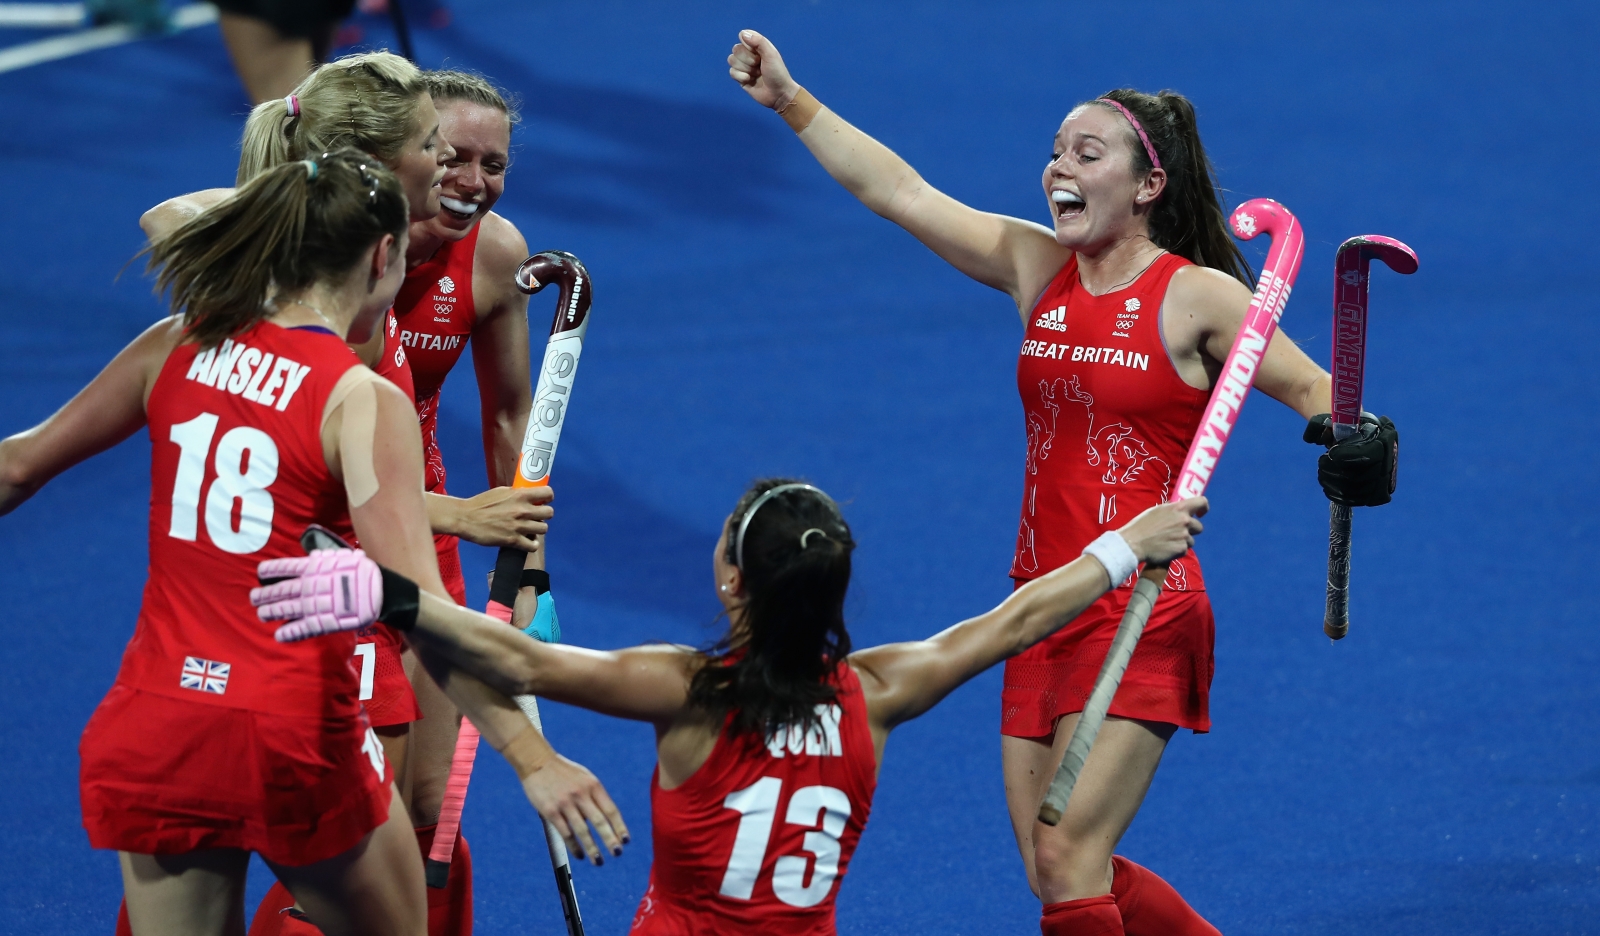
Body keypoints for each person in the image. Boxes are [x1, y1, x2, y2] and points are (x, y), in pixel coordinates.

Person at [725, 30, 1400, 936]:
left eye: (1087, 153)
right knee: (1060, 876)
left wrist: (1359, 444)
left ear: (1148, 185)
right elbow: (900, 192)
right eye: (1053, 152)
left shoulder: (1197, 295)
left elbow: (1323, 396)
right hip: (1043, 600)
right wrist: (792, 100)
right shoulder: (1036, 266)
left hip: (1148, 600)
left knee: (1067, 857)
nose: (1057, 169)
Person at [0, 152, 624, 936]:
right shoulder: (358, 397)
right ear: (382, 256)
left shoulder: (175, 344)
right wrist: (532, 757)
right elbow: (418, 612)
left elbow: (16, 466)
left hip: (159, 724)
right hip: (291, 735)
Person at [255, 480, 1209, 935]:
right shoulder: (882, 692)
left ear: (732, 582)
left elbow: (508, 656)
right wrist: (1128, 544)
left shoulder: (686, 690)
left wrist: (390, 594)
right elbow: (1013, 621)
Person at [138, 56, 551, 934]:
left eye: (490, 163)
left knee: (428, 806)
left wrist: (528, 567)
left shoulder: (492, 258)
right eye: (444, 152)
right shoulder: (327, 256)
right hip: (314, 544)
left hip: (411, 537)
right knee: (315, 810)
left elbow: (512, 419)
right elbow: (171, 219)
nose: (466, 179)